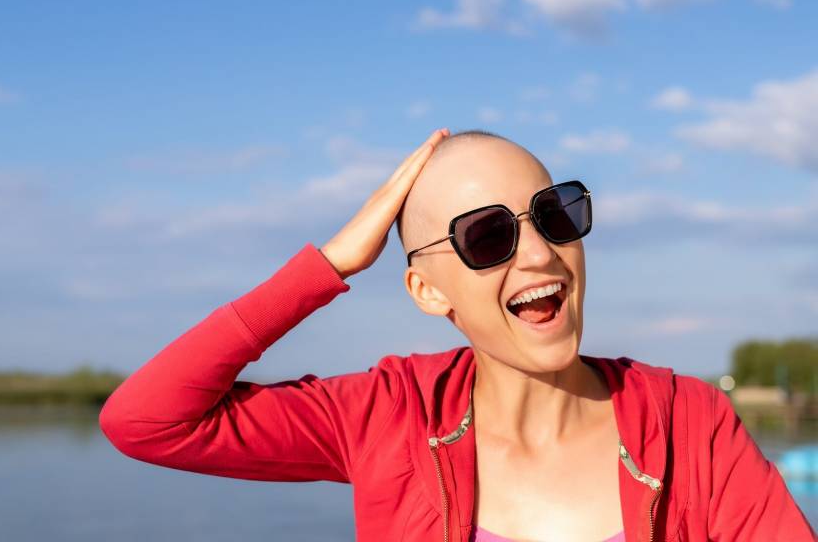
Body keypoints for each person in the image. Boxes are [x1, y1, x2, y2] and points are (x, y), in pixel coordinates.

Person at [99, 128, 815, 541]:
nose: (539, 255)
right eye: (488, 236)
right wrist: (328, 264)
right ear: (426, 288)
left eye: (555, 215)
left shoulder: (689, 423)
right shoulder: (386, 415)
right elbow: (145, 421)